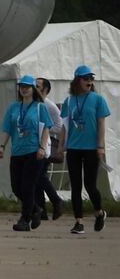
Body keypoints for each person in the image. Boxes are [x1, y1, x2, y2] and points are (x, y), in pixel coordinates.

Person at [0, 75, 58, 232]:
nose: (24, 89)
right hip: (17, 152)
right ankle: (35, 209)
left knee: (28, 186)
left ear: (33, 89)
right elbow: (8, 129)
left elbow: (46, 128)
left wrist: (42, 148)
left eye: (27, 86)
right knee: (16, 187)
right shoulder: (13, 107)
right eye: (21, 86)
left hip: (33, 152)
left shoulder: (40, 107)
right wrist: (2, 146)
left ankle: (25, 219)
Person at [61, 64, 109, 234]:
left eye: (91, 79)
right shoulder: (69, 101)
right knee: (75, 185)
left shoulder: (98, 99)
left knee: (90, 184)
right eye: (85, 78)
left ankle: (99, 212)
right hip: (73, 147)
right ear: (77, 81)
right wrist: (61, 146)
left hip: (91, 148)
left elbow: (102, 124)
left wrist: (100, 145)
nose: (89, 81)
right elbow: (65, 126)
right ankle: (78, 222)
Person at [35, 77, 67, 222]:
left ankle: (56, 201)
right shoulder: (35, 104)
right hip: (36, 144)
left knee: (39, 175)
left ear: (45, 90)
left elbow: (60, 126)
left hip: (47, 144)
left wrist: (43, 128)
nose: (34, 88)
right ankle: (42, 209)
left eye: (37, 86)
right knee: (38, 176)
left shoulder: (48, 105)